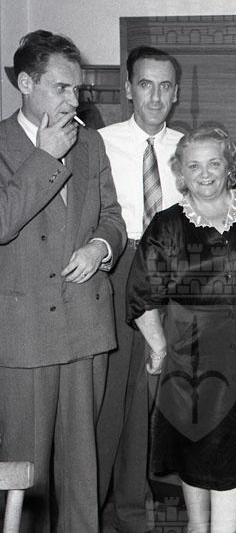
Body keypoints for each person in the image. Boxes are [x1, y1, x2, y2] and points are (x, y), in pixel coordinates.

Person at [126, 125, 236, 533]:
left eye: (214, 163)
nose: (204, 174)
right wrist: (159, 348)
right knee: (194, 449)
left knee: (231, 456)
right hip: (190, 353)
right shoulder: (166, 225)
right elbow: (141, 293)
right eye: (194, 165)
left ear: (230, 166)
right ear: (180, 171)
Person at [0, 29, 126, 532]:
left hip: (86, 326)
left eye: (77, 88)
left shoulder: (90, 142)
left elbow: (113, 217)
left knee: (82, 470)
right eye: (61, 88)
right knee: (26, 473)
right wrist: (45, 157)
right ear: (25, 83)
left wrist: (100, 247)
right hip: (25, 333)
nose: (74, 100)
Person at [96, 45, 183, 532]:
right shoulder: (98, 144)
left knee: (146, 399)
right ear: (129, 89)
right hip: (116, 266)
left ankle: (132, 511)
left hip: (169, 272)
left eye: (165, 86)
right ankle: (87, 509)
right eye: (145, 84)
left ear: (177, 93)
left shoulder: (190, 149)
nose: (155, 96)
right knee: (107, 398)